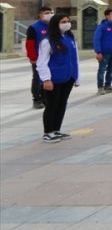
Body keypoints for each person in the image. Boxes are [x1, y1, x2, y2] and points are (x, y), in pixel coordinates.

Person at [36, 12, 80, 142]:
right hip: (54, 78)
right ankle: (48, 132)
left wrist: (76, 77)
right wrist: (46, 79)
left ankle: (56, 129)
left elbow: (75, 59)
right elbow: (41, 62)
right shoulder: (47, 40)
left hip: (68, 77)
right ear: (56, 24)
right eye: (63, 22)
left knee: (62, 104)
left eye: (68, 21)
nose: (67, 24)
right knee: (52, 105)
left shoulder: (70, 38)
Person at [26, 6, 54, 109]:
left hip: (51, 58)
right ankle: (37, 99)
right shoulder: (34, 27)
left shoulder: (54, 26)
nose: (50, 14)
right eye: (47, 13)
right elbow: (29, 44)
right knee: (37, 78)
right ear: (40, 15)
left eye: (51, 12)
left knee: (49, 78)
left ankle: (46, 98)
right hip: (38, 59)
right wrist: (33, 57)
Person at [93, 7, 112, 95]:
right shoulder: (102, 26)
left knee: (111, 69)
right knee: (102, 70)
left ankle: (108, 85)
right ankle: (100, 87)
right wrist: (98, 52)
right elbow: (97, 39)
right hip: (104, 53)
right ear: (107, 16)